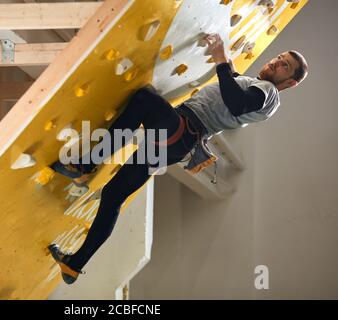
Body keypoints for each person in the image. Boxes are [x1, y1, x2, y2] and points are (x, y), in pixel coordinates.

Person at [49, 34, 309, 284]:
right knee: (113, 195)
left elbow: (237, 103)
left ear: (290, 83)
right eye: (278, 57)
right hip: (179, 141)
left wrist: (220, 59)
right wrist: (228, 67)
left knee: (145, 99)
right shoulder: (256, 88)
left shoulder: (269, 93)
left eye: (284, 65)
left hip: (183, 129)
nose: (275, 62)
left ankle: (87, 164)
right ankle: (75, 264)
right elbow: (234, 93)